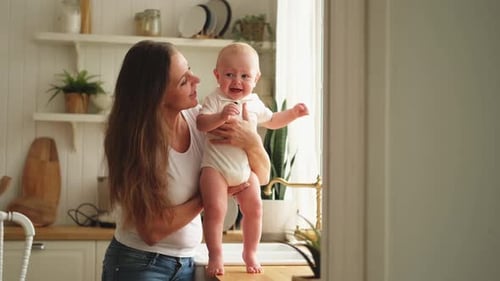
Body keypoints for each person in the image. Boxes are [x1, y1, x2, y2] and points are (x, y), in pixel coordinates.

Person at [101, 40, 270, 281]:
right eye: (183, 80)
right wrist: (210, 197)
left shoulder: (203, 120)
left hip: (187, 263)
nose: (196, 79)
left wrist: (251, 142)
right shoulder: (135, 143)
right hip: (139, 265)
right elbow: (152, 230)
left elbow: (262, 177)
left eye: (189, 69)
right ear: (156, 95)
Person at [196, 42, 309, 276]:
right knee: (215, 208)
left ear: (256, 78)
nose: (237, 81)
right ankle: (215, 254)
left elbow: (273, 121)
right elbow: (201, 123)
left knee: (255, 208)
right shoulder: (214, 99)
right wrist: (220, 116)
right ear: (217, 75)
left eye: (245, 75)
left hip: (245, 171)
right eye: (229, 74)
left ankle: (250, 252)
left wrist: (293, 114)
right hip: (215, 168)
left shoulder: (254, 103)